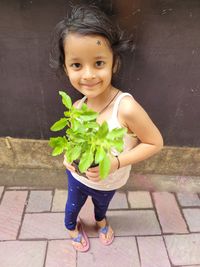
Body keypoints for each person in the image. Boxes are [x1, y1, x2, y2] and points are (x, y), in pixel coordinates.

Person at [50, 4, 163, 252]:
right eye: (77, 65)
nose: (88, 75)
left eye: (99, 62)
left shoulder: (126, 108)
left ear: (114, 63)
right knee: (72, 207)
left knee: (102, 207)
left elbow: (155, 142)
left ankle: (100, 221)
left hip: (110, 180)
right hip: (77, 177)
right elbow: (72, 139)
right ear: (66, 67)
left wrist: (115, 163)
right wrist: (68, 157)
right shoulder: (77, 106)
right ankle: (72, 227)